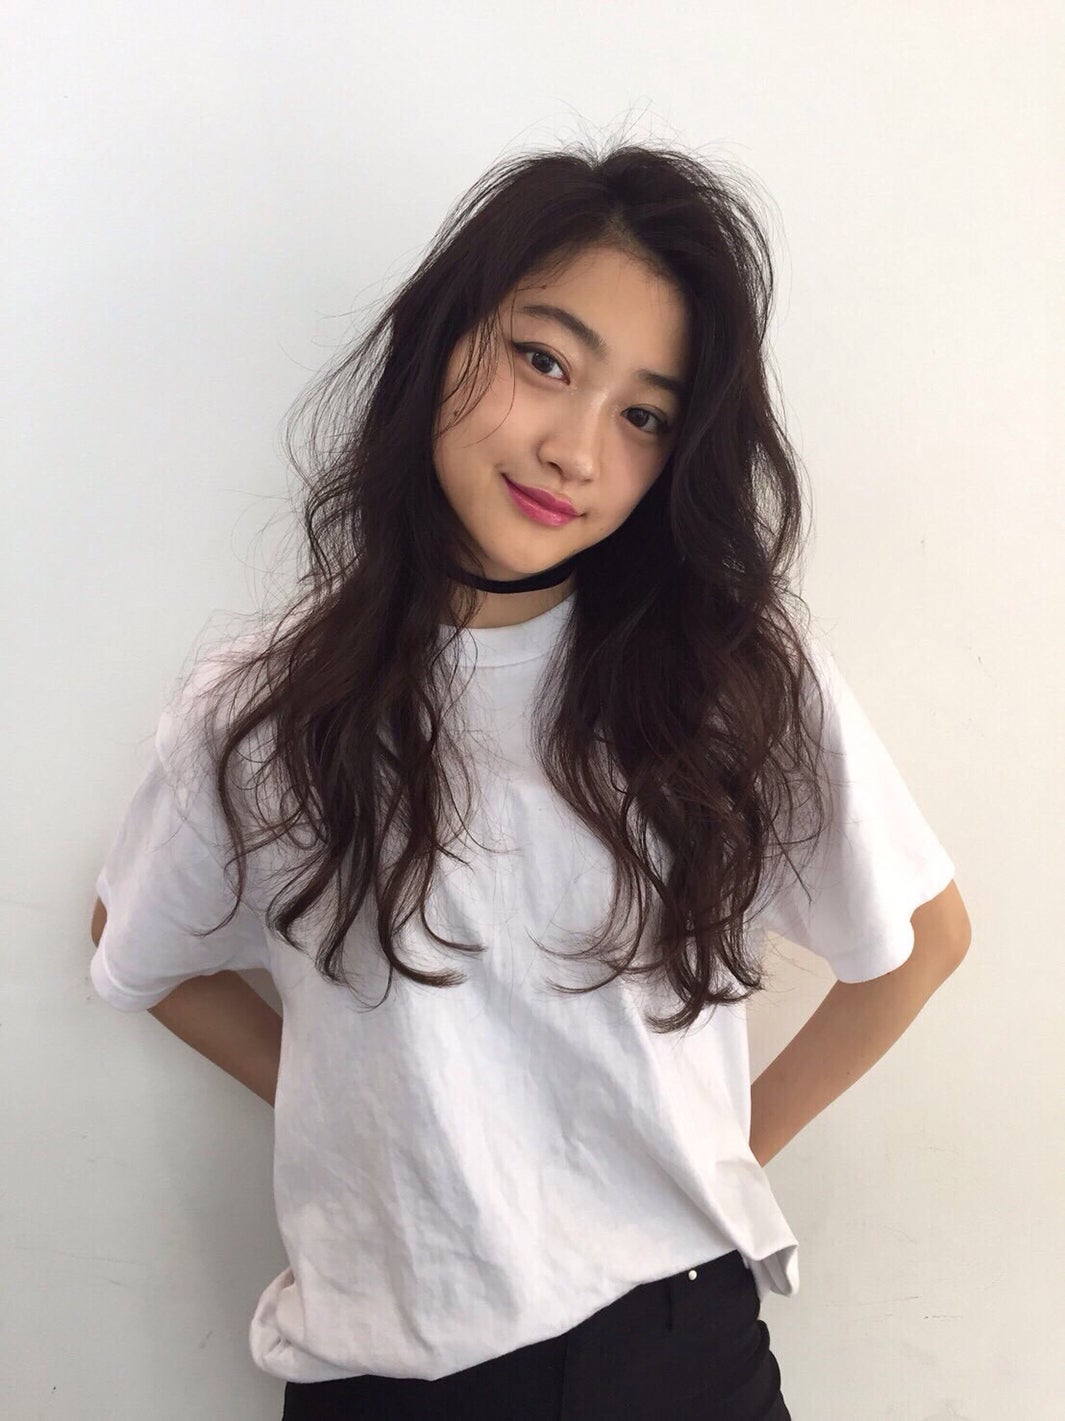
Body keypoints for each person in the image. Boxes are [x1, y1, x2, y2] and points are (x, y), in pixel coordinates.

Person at [89, 140, 971, 1419]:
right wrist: (371, 1126)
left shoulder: (727, 675)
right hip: (386, 1367)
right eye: (546, 361)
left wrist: (714, 1161)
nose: (575, 449)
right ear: (443, 339)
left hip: (674, 1348)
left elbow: (922, 941)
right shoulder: (263, 706)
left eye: (644, 415)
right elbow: (138, 947)